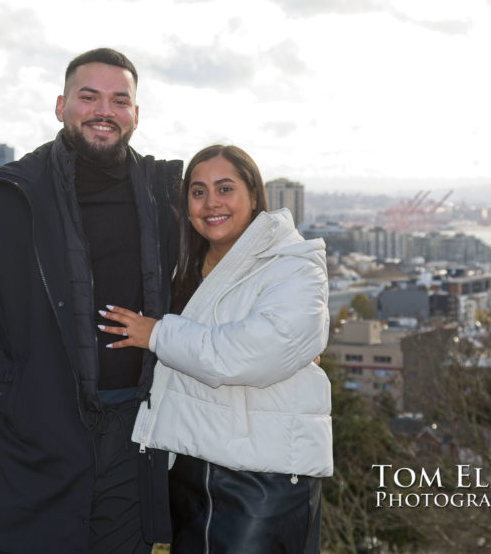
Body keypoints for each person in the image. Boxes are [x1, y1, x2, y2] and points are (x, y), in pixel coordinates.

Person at [0, 48, 181, 553]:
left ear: (137, 115)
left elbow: (231, 251)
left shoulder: (168, 196)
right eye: (88, 96)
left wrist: (290, 324)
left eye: (119, 100)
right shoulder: (3, 197)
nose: (103, 111)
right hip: (36, 437)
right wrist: (16, 394)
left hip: (135, 437)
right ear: (60, 106)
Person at [103, 144, 332, 552]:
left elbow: (246, 355)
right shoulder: (183, 266)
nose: (211, 203)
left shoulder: (293, 265)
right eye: (198, 191)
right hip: (191, 469)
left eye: (225, 189)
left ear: (254, 196)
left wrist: (155, 334)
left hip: (264, 480)